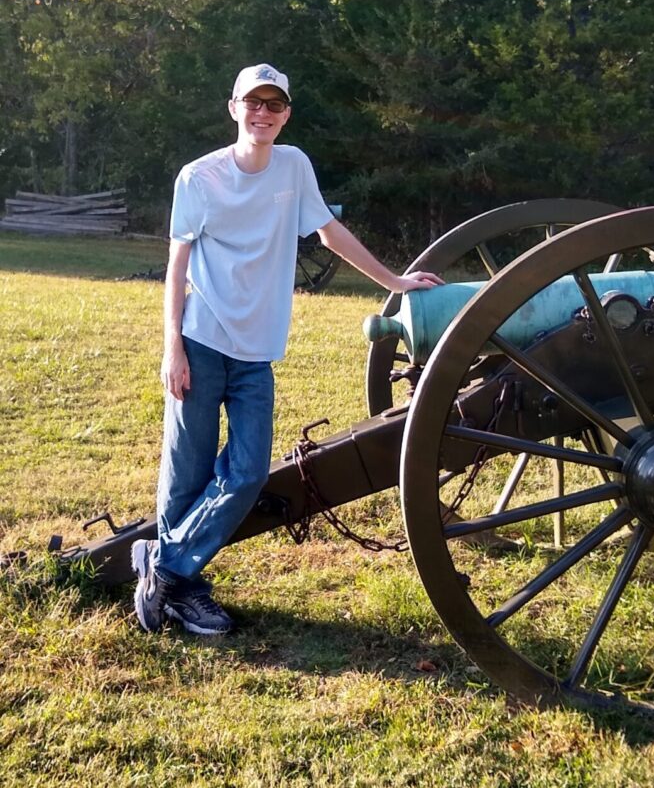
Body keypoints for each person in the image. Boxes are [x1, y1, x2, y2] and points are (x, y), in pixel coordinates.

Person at [131, 63, 442, 636]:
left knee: (247, 470)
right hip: (200, 341)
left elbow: (330, 232)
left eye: (274, 105)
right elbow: (176, 268)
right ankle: (182, 587)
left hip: (256, 352)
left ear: (286, 115)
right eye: (254, 103)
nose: (263, 113)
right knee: (187, 472)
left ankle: (166, 567)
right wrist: (171, 347)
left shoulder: (293, 167)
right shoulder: (199, 178)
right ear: (234, 108)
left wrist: (394, 281)